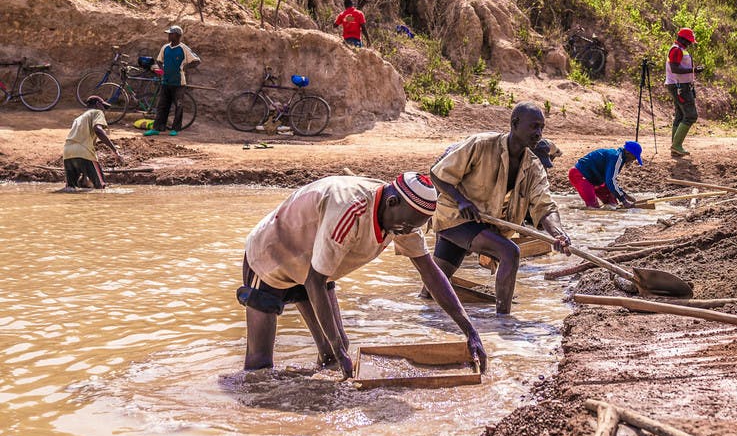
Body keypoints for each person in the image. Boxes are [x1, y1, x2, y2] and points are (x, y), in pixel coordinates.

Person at [239, 172, 487, 379]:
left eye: (413, 228)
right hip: (273, 254)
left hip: (313, 264)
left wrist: (469, 331)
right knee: (259, 368)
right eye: (404, 226)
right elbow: (315, 282)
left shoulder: (406, 217)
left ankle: (311, 398)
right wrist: (338, 350)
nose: (406, 233)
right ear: (391, 203)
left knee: (332, 356)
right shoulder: (350, 209)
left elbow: (430, 274)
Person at [425, 102, 571, 314]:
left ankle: (422, 319)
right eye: (534, 127)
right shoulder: (481, 144)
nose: (539, 133)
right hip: (454, 218)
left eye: (542, 128)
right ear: (514, 124)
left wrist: (558, 233)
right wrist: (461, 200)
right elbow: (438, 174)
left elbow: (545, 206)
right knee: (510, 252)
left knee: (433, 288)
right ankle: (504, 320)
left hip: (483, 225)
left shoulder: (533, 165)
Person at [144, 25, 200, 137]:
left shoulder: (183, 48)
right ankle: (157, 128)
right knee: (162, 106)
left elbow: (197, 60)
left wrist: (185, 67)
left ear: (178, 36)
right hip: (166, 81)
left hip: (179, 83)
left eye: (171, 34)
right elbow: (159, 60)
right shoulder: (165, 48)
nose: (168, 36)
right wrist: (163, 69)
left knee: (178, 106)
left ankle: (175, 129)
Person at [62, 96, 122, 190]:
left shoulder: (79, 118)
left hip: (67, 152)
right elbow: (98, 130)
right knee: (101, 188)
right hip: (84, 152)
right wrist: (115, 151)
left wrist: (85, 174)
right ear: (98, 104)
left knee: (70, 188)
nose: (104, 111)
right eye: (103, 107)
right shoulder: (97, 112)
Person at [568, 141, 643, 209]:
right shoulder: (616, 158)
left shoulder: (619, 157)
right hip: (579, 175)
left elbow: (610, 181)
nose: (634, 160)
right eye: (634, 157)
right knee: (593, 207)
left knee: (613, 204)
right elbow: (610, 181)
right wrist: (624, 200)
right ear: (628, 153)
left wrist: (625, 195)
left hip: (595, 179)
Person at [666, 27, 703, 156]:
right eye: (689, 41)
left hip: (679, 85)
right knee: (691, 115)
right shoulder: (676, 50)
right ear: (682, 39)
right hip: (680, 86)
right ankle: (676, 145)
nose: (690, 43)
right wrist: (693, 70)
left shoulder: (679, 49)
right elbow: (675, 69)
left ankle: (675, 147)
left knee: (680, 115)